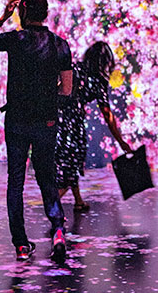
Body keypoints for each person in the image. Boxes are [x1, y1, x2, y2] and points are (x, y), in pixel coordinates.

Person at [0, 0, 72, 262]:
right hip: (46, 121)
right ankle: (58, 232)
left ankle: (21, 244)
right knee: (47, 178)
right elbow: (66, 90)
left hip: (17, 120)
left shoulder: (15, 39)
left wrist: (2, 17)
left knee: (15, 182)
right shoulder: (60, 45)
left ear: (23, 12)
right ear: (46, 12)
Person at [56, 41, 132, 211]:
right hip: (72, 125)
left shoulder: (74, 68)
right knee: (72, 164)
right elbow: (107, 114)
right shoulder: (98, 79)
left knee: (69, 163)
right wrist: (120, 141)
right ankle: (52, 205)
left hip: (57, 120)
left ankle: (78, 200)